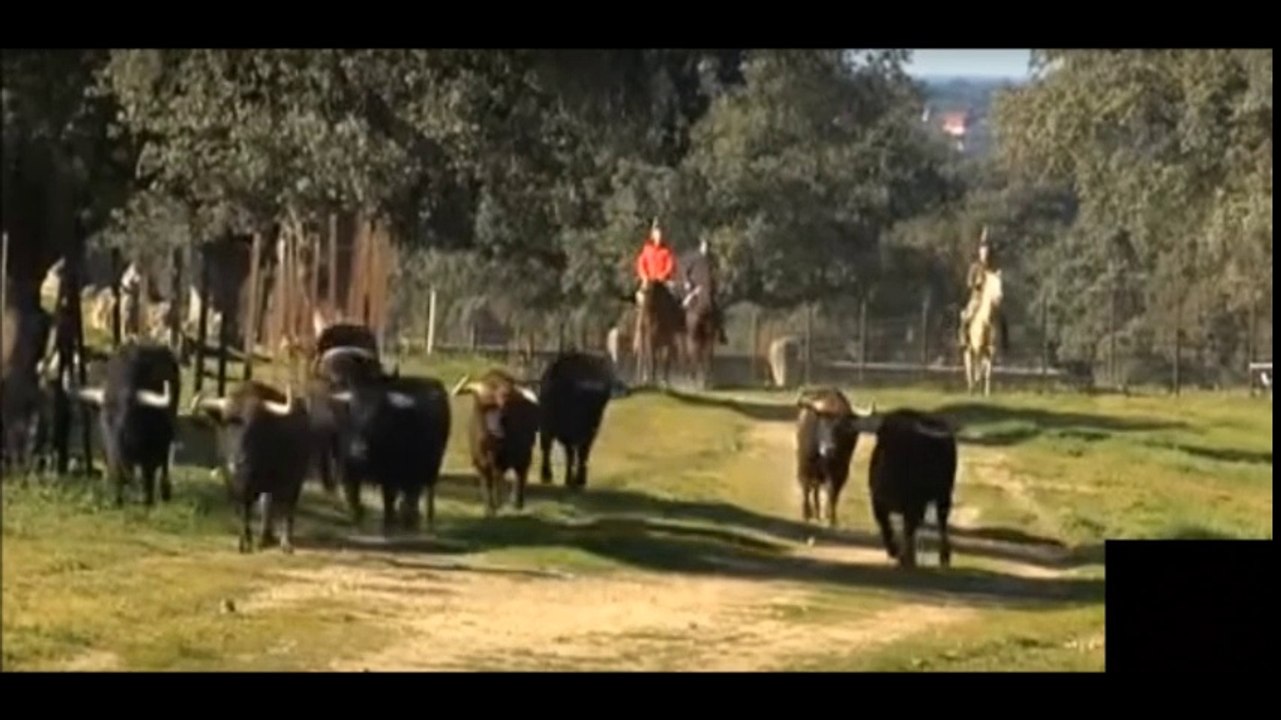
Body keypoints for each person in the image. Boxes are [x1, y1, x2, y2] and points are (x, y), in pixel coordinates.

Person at [633, 218, 678, 344]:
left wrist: (662, 276)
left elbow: (670, 265)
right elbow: (641, 263)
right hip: (648, 281)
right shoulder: (647, 249)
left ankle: (673, 331)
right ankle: (638, 334)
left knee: (674, 299)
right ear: (652, 235)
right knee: (641, 301)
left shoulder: (666, 250)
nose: (659, 236)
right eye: (657, 233)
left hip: (662, 281)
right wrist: (644, 275)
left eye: (661, 234)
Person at [681, 237, 729, 345]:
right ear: (701, 245)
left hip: (709, 290)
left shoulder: (711, 260)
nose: (706, 248)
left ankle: (720, 332)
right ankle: (681, 331)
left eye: (708, 245)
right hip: (695, 290)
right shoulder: (693, 258)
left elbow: (716, 273)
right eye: (705, 245)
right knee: (683, 305)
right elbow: (684, 271)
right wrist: (687, 282)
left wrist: (717, 285)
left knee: (718, 308)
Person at [958, 226, 997, 347]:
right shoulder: (975, 267)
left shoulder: (993, 267)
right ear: (980, 251)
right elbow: (969, 282)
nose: (985, 252)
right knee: (967, 317)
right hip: (977, 298)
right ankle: (964, 339)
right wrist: (977, 284)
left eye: (987, 250)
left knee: (1002, 319)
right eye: (983, 250)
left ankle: (1004, 344)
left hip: (990, 299)